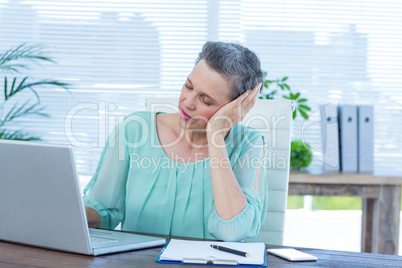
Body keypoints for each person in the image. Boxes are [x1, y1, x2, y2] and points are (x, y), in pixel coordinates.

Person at [83, 41, 267, 242]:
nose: (187, 102)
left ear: (234, 108)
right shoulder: (134, 130)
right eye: (188, 86)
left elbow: (234, 232)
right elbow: (103, 211)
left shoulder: (248, 143)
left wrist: (216, 137)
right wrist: (67, 212)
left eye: (206, 100)